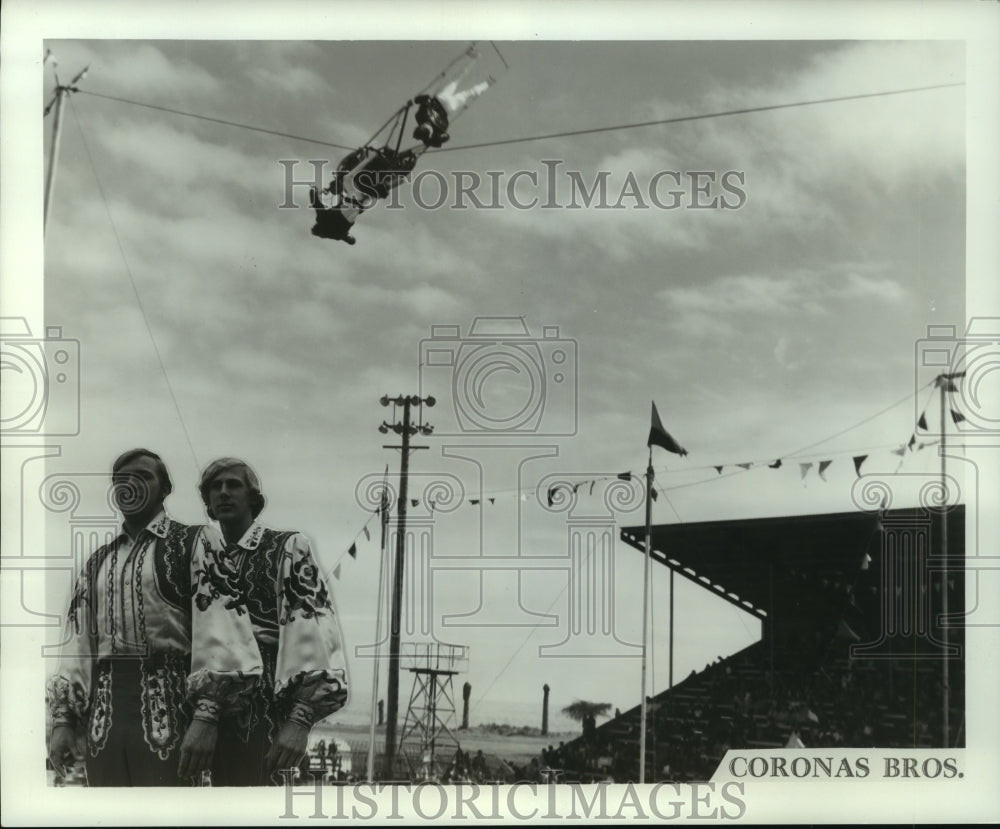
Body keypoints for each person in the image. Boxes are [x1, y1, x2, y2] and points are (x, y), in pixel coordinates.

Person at [45, 448, 262, 787]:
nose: (131, 485)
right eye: (121, 480)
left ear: (165, 489)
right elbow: (77, 645)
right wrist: (63, 721)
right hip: (103, 726)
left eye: (143, 476)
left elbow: (222, 627)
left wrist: (206, 718)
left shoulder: (194, 541)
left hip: (174, 718)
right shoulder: (97, 562)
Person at [195, 457, 348, 786]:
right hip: (197, 712)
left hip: (261, 710)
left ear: (253, 498)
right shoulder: (198, 556)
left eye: (233, 485)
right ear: (206, 500)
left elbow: (315, 633)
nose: (223, 492)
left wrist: (300, 720)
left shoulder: (286, 548)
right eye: (214, 487)